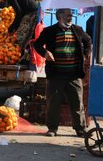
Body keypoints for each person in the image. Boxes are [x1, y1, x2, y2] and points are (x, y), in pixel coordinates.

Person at [33, 8, 92, 137]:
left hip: (73, 75)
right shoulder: (49, 31)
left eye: (71, 15)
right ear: (59, 17)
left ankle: (80, 129)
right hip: (56, 75)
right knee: (53, 103)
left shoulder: (77, 29)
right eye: (68, 16)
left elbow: (88, 40)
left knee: (77, 103)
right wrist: (45, 53)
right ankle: (52, 129)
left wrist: (86, 53)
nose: (70, 17)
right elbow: (36, 44)